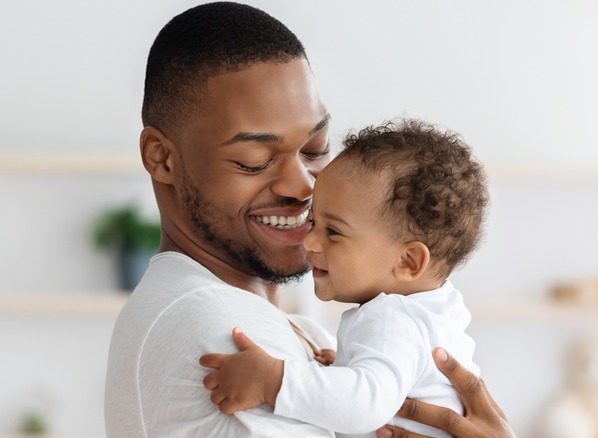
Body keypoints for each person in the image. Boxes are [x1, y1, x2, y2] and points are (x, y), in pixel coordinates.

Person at [104, 2, 515, 437]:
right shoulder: (217, 328)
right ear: (161, 157)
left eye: (315, 148)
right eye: (253, 160)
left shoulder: (312, 337)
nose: (303, 188)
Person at [199, 119, 487, 437]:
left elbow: (365, 406)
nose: (308, 242)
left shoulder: (393, 318)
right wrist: (347, 369)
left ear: (408, 261)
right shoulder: (435, 310)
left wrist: (274, 381)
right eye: (312, 222)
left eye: (333, 231)